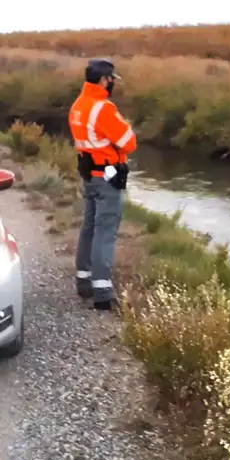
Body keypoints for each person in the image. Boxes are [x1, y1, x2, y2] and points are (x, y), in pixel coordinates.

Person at [69, 58, 138, 310]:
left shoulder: (79, 105)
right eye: (111, 79)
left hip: (90, 176)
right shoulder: (103, 108)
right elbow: (129, 142)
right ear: (103, 79)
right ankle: (103, 292)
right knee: (105, 232)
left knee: (89, 228)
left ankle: (84, 281)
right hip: (108, 177)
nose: (113, 84)